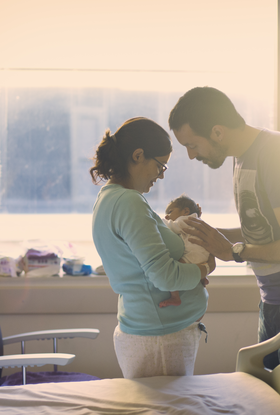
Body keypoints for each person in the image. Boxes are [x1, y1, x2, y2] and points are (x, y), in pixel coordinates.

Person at [167, 86, 280, 380]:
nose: (190, 156)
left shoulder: (277, 154)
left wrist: (233, 252)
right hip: (276, 300)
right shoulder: (242, 158)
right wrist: (207, 236)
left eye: (192, 145)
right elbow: (265, 228)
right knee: (268, 398)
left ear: (217, 132)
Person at [90, 117, 216, 379]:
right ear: (138, 155)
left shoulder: (110, 197)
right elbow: (164, 276)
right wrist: (204, 268)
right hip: (160, 338)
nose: (160, 176)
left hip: (156, 333)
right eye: (160, 166)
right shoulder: (128, 203)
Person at [159, 194, 211, 308]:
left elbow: (170, 227)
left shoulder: (185, 220)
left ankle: (175, 296)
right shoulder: (195, 220)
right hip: (202, 255)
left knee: (174, 271)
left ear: (186, 211)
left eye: (170, 212)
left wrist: (158, 221)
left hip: (194, 255)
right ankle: (202, 278)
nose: (167, 216)